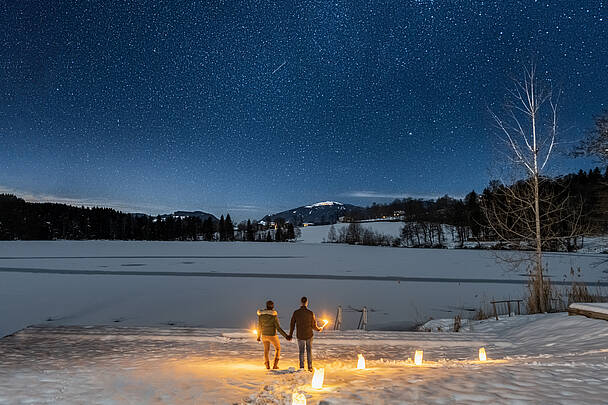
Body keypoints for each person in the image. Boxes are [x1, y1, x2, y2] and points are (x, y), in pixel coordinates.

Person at [288, 296, 324, 371]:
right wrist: (319, 329)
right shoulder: (310, 313)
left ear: (301, 302)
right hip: (309, 335)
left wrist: (290, 335)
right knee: (309, 351)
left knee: (301, 351)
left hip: (300, 335)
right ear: (307, 302)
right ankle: (310, 367)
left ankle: (301, 367)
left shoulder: (296, 312)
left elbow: (292, 325)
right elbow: (313, 326)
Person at [257, 300, 290, 370]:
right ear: (272, 306)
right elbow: (278, 328)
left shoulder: (261, 315)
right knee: (278, 348)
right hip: (272, 335)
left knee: (266, 350)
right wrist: (286, 336)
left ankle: (267, 365)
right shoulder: (273, 315)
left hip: (264, 335)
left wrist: (258, 336)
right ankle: (275, 365)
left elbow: (259, 326)